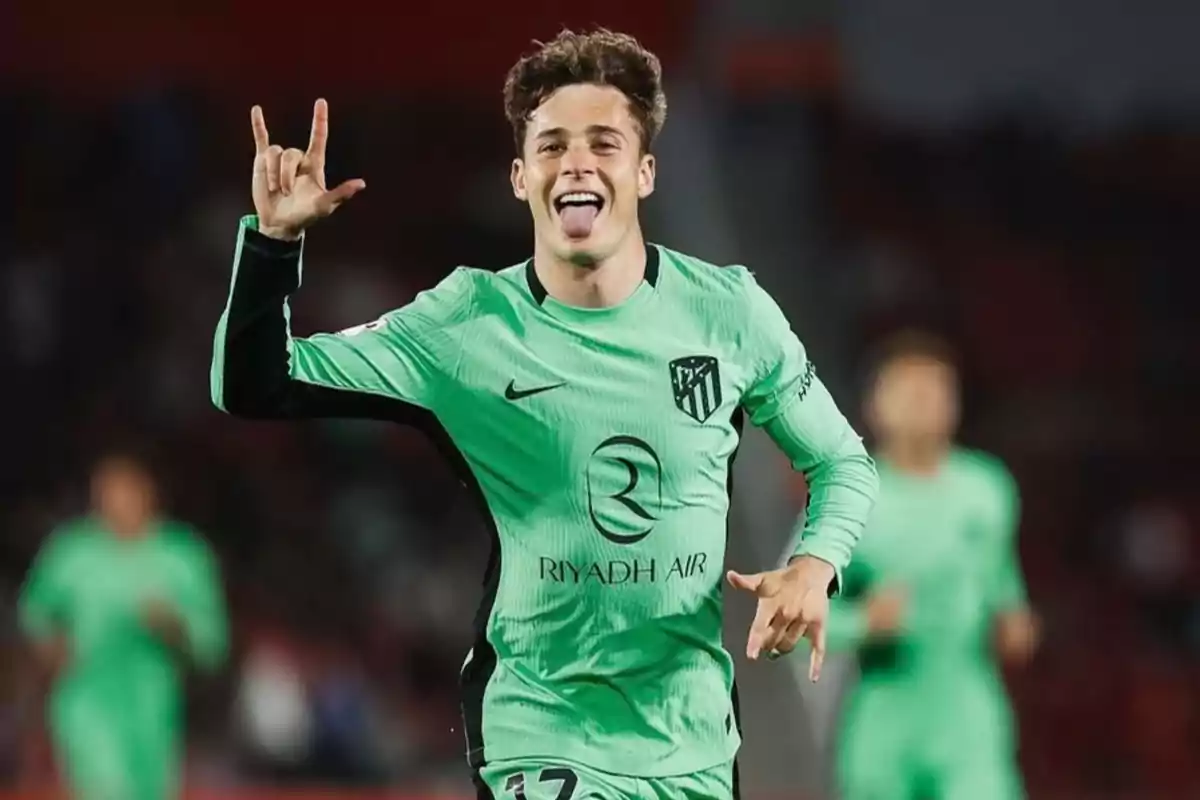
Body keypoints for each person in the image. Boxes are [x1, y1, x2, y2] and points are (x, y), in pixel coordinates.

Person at [210, 28, 878, 799]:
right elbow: (255, 384)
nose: (578, 162)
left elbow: (842, 462)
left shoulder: (728, 311)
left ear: (646, 171)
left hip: (689, 744)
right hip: (541, 730)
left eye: (604, 142)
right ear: (522, 177)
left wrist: (815, 564)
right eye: (554, 145)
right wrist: (273, 243)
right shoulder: (469, 324)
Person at [828, 332, 1039, 800]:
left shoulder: (988, 488)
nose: (925, 402)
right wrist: (863, 623)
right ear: (876, 403)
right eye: (909, 390)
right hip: (887, 716)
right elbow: (800, 628)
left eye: (937, 390)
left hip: (969, 714)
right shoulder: (847, 500)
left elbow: (1004, 588)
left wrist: (1015, 623)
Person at [18, 452, 229, 800]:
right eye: (106, 493)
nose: (116, 502)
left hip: (153, 702)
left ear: (149, 493)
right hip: (86, 698)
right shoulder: (71, 552)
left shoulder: (183, 557)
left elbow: (212, 644)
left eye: (126, 491)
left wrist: (172, 626)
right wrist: (48, 644)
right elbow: (35, 612)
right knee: (105, 789)